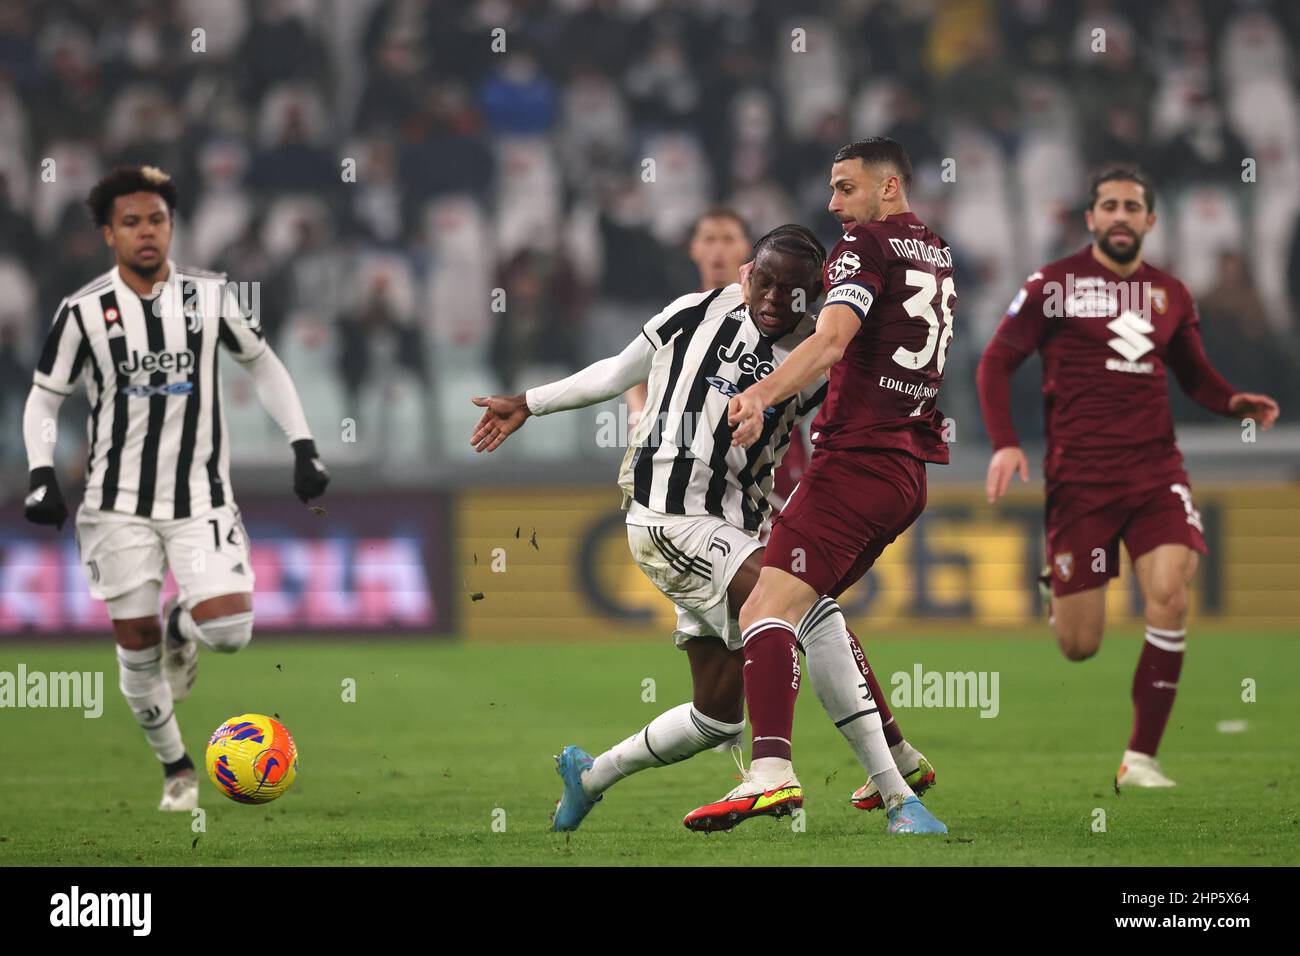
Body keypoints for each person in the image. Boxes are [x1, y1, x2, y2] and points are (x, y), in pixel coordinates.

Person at [470, 225, 932, 832]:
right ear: (746, 274)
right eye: (764, 282)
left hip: (739, 519)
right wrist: (530, 401)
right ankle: (898, 793)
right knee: (811, 612)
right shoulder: (692, 312)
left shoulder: (817, 355)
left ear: (814, 296)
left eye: (791, 291)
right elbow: (616, 371)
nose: (772, 299)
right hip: (669, 518)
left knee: (718, 717)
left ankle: (589, 776)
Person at [21, 166, 330, 811]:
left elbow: (264, 365)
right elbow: (45, 398)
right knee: (134, 650)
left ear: (171, 226)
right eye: (131, 223)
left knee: (233, 631)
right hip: (115, 503)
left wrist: (302, 444)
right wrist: (41, 472)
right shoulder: (82, 313)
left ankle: (182, 625)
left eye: (156, 220)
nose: (146, 233)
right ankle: (178, 768)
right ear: (110, 233)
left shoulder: (211, 298)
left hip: (200, 496)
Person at [976, 164, 1279, 787]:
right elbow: (996, 362)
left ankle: (1140, 757)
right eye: (1108, 205)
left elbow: (1194, 375)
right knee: (1079, 644)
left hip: (1154, 473)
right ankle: (1053, 584)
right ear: (1090, 218)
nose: (1119, 215)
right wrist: (1005, 445)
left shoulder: (1172, 294)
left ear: (1150, 221)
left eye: (1131, 206)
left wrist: (1232, 403)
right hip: (1080, 484)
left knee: (1169, 591)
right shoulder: (1051, 286)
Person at [689, 137, 953, 835]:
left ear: (888, 188)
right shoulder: (935, 252)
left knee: (763, 611)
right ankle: (900, 763)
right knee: (812, 616)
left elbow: (833, 340)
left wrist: (760, 395)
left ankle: (770, 774)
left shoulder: (865, 247)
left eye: (846, 188)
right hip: (906, 469)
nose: (833, 205)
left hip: (855, 465)